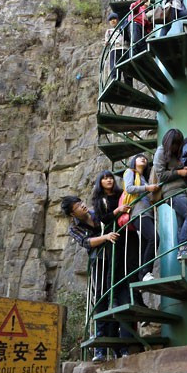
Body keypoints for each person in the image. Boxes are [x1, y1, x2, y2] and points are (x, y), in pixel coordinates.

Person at [63, 195, 131, 362]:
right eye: (77, 206)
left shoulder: (96, 214)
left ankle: (120, 347)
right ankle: (99, 350)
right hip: (98, 262)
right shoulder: (74, 228)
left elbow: (111, 219)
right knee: (101, 301)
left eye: (81, 203)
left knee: (117, 301)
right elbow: (87, 242)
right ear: (73, 214)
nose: (82, 206)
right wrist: (105, 237)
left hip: (113, 260)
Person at [90, 171, 140, 356]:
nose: (108, 180)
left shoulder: (121, 194)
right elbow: (102, 219)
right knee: (111, 291)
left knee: (125, 287)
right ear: (100, 182)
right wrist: (116, 211)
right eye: (104, 178)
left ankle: (126, 346)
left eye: (110, 177)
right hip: (113, 240)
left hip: (127, 235)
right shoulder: (99, 199)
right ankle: (107, 347)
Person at [152, 129, 187, 257]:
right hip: (172, 192)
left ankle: (183, 250)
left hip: (182, 190)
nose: (176, 146)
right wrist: (179, 172)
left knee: (182, 222)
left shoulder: (175, 155)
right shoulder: (161, 152)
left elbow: (175, 169)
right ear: (169, 142)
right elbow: (161, 175)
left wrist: (184, 169)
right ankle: (183, 246)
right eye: (174, 143)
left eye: (178, 144)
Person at [122, 154, 160, 281]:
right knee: (154, 239)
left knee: (146, 245)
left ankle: (141, 274)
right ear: (133, 161)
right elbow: (129, 188)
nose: (143, 158)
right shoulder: (130, 172)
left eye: (145, 158)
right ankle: (145, 272)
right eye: (139, 157)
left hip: (147, 213)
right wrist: (147, 188)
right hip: (138, 213)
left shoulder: (143, 177)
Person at [105, 12, 132, 87]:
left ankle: (129, 85)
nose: (112, 21)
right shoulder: (109, 31)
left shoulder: (123, 28)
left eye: (114, 19)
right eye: (110, 20)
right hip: (115, 49)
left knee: (127, 68)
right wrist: (106, 43)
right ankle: (115, 83)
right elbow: (107, 41)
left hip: (125, 48)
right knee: (114, 67)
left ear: (117, 20)